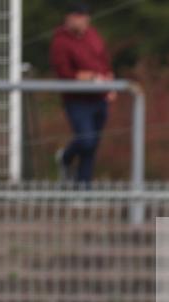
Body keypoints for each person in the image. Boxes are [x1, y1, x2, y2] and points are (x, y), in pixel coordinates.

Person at [49, 2, 114, 184]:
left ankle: (84, 188)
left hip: (99, 97)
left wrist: (110, 82)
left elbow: (104, 61)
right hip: (78, 100)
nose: (83, 20)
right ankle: (65, 157)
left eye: (85, 16)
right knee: (86, 140)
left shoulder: (93, 35)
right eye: (79, 16)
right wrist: (84, 76)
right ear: (69, 18)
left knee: (92, 146)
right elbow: (64, 73)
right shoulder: (60, 41)